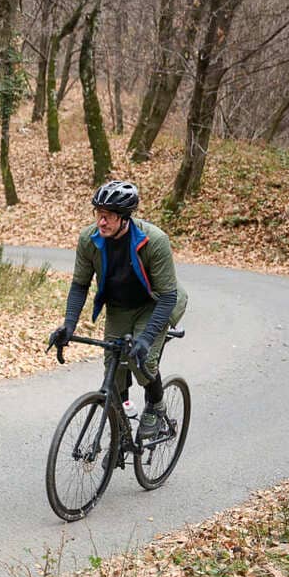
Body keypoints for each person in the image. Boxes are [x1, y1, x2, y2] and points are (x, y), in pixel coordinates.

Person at [48, 180, 188, 438]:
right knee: (114, 367)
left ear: (125, 218)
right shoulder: (89, 240)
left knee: (141, 359)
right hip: (119, 306)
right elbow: (79, 285)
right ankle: (120, 429)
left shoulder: (154, 241)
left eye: (109, 216)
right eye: (99, 214)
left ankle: (156, 405)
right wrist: (68, 325)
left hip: (154, 302)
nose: (101, 222)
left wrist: (146, 339)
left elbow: (168, 297)